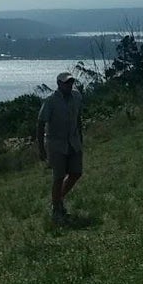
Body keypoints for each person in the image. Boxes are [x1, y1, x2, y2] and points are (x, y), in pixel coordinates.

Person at [35, 70, 84, 223]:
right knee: (58, 176)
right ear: (58, 84)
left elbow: (78, 117)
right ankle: (57, 209)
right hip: (56, 144)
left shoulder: (77, 96)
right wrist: (41, 148)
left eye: (71, 82)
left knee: (76, 172)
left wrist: (80, 138)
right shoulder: (50, 101)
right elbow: (40, 123)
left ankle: (58, 199)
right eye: (65, 83)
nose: (69, 85)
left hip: (73, 141)